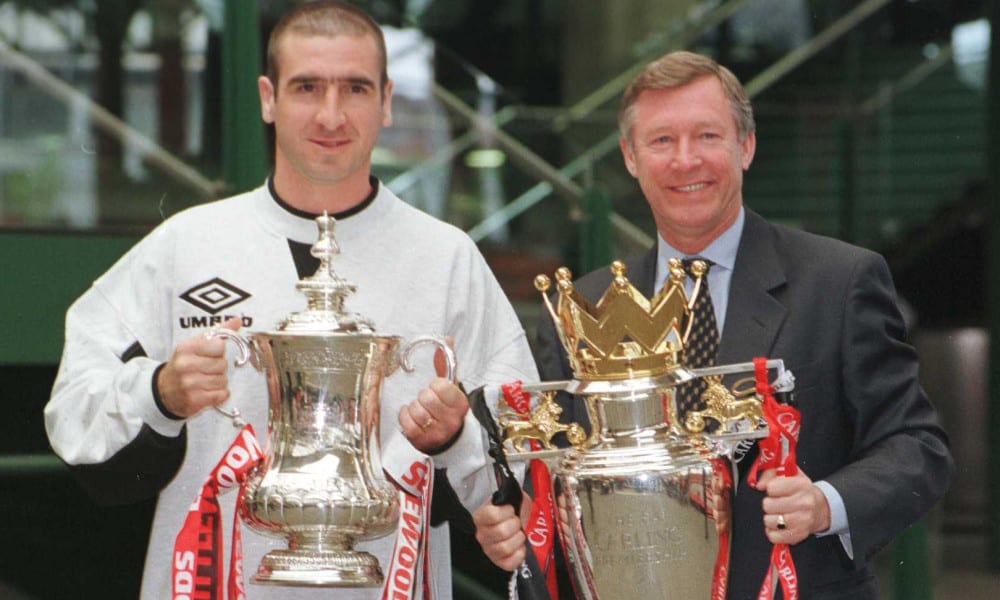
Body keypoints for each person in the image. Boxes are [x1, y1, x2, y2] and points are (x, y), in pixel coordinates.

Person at [44, 1, 536, 598]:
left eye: (354, 88)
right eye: (307, 87)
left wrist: (455, 440)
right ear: (267, 98)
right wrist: (159, 393)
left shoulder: (446, 259)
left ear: (385, 100)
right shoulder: (184, 247)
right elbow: (73, 414)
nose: (331, 114)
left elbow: (527, 458)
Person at [472, 50, 953, 599]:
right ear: (630, 157)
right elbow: (554, 478)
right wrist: (514, 524)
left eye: (707, 136)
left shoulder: (839, 282)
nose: (686, 160)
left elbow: (918, 446)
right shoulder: (583, 308)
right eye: (662, 140)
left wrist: (823, 504)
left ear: (745, 146)